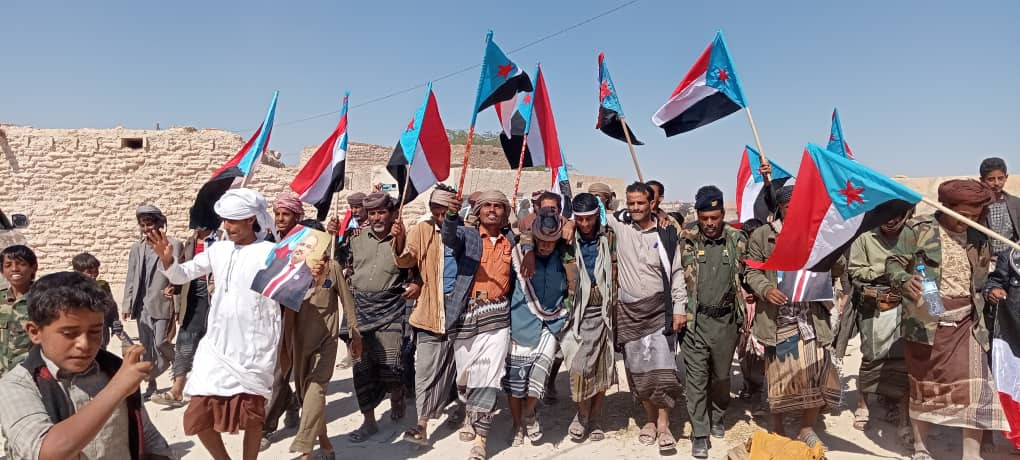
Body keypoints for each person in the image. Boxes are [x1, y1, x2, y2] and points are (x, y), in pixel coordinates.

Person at [150, 188, 281, 460]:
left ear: (251, 220)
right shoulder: (218, 249)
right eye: (225, 220)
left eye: (233, 220)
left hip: (253, 345)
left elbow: (295, 290)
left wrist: (315, 276)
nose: (227, 226)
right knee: (198, 411)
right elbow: (182, 274)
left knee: (252, 414)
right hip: (217, 344)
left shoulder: (271, 252)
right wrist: (167, 260)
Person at [887, 179, 1008, 460]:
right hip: (927, 320)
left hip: (968, 321)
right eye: (962, 215)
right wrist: (905, 279)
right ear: (945, 207)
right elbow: (893, 263)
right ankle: (921, 447)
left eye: (974, 216)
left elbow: (984, 276)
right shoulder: (918, 230)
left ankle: (971, 454)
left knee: (976, 387)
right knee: (925, 386)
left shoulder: (979, 235)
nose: (967, 221)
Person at [0, 272, 173, 460]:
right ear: (35, 332)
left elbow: (147, 436)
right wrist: (117, 389)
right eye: (69, 333)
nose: (84, 343)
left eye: (95, 331)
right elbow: (46, 452)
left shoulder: (112, 369)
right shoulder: (18, 385)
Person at [744, 185, 842, 451]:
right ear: (780, 208)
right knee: (779, 377)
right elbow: (751, 271)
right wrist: (766, 290)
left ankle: (806, 428)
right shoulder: (763, 236)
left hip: (811, 319)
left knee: (814, 374)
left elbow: (837, 269)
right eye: (790, 207)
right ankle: (778, 428)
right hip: (778, 320)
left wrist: (833, 248)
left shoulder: (818, 234)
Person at [604, 182, 687, 452]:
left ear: (652, 203)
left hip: (659, 310)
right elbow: (594, 211)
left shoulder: (666, 234)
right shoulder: (621, 227)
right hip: (630, 312)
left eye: (641, 203)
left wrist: (679, 308)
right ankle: (649, 420)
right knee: (638, 370)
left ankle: (664, 425)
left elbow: (676, 272)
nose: (636, 208)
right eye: (631, 203)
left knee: (663, 370)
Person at [442, 190, 517, 460]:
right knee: (466, 374)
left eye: (498, 206)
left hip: (497, 315)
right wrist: (452, 214)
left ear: (505, 212)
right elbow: (449, 236)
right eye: (487, 206)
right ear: (479, 211)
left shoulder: (512, 241)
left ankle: (481, 440)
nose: (492, 210)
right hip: (467, 313)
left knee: (489, 375)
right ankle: (469, 411)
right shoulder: (468, 236)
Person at [392, 186, 466, 446]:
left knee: (460, 369)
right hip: (430, 309)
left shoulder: (466, 231)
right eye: (436, 211)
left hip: (463, 311)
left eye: (446, 211)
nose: (441, 216)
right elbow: (406, 260)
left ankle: (461, 408)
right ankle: (421, 424)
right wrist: (399, 239)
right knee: (424, 369)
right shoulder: (422, 230)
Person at [679, 186, 747, 458]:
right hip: (695, 321)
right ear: (698, 216)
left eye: (714, 218)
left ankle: (718, 414)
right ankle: (700, 433)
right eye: (704, 218)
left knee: (720, 377)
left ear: (722, 216)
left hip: (726, 322)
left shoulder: (736, 239)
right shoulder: (687, 239)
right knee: (696, 380)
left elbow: (750, 272)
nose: (709, 223)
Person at [346, 192, 418, 443]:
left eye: (382, 212)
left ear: (392, 214)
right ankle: (369, 421)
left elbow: (415, 269)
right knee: (361, 367)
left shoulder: (405, 239)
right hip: (359, 310)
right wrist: (333, 237)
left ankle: (397, 395)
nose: (377, 217)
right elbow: (342, 264)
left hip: (391, 309)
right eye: (373, 213)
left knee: (392, 364)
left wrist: (416, 284)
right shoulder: (355, 238)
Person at [290, 219, 361, 459]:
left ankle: (305, 450)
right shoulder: (291, 270)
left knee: (316, 390)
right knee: (304, 395)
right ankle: (325, 441)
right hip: (298, 342)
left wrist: (355, 333)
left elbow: (347, 302)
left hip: (325, 341)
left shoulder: (333, 268)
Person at [504, 207, 572, 446]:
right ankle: (516, 425)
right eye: (541, 240)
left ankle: (529, 413)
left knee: (539, 376)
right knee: (516, 382)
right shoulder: (518, 253)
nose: (545, 246)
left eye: (550, 242)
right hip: (521, 323)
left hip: (550, 323)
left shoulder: (563, 254)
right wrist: (528, 249)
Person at [848, 210, 913, 444]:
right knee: (871, 355)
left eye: (897, 215)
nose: (891, 219)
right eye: (887, 214)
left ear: (907, 214)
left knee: (904, 360)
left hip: (907, 304)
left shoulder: (914, 236)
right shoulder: (864, 238)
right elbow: (855, 270)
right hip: (876, 304)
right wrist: (886, 271)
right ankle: (862, 404)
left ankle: (903, 414)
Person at [560, 193, 618, 443]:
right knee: (579, 367)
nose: (585, 224)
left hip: (605, 312)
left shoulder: (609, 237)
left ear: (597, 215)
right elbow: (533, 234)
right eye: (580, 219)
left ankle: (595, 419)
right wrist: (568, 223)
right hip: (578, 314)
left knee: (602, 369)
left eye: (589, 218)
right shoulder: (566, 239)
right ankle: (581, 414)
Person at [150, 223, 217, 409]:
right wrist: (174, 286)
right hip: (194, 295)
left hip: (217, 297)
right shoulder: (190, 242)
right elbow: (183, 269)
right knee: (185, 340)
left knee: (213, 344)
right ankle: (177, 389)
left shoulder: (223, 239)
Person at [260, 192, 306, 446]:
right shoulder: (268, 241)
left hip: (291, 314)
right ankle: (288, 400)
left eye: (285, 214)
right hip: (265, 315)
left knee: (280, 371)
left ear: (296, 216)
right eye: (277, 214)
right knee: (264, 369)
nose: (279, 218)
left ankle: (265, 428)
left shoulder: (306, 242)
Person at [122, 205, 181, 399]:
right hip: (142, 305)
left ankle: (181, 365)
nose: (146, 229)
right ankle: (152, 385)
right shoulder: (137, 248)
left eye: (150, 224)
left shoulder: (173, 244)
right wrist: (127, 303)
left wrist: (175, 292)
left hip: (163, 301)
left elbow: (179, 273)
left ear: (158, 224)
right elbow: (131, 276)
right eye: (143, 225)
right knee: (146, 347)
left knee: (161, 342)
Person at [71, 252, 124, 352]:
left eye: (96, 271)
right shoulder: (69, 290)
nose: (93, 275)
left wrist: (116, 326)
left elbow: (111, 310)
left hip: (100, 338)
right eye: (89, 272)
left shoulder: (103, 287)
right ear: (77, 272)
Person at [1, 245, 36, 375]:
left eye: (21, 264)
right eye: (8, 265)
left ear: (33, 267)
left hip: (29, 374)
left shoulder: (43, 299)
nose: (14, 269)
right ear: (2, 270)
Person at [979, 157, 1020, 257]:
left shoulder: (1015, 203)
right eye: (991, 179)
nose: (996, 183)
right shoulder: (978, 206)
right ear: (982, 180)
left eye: (1000, 178)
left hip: (1011, 258)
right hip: (987, 260)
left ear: (1006, 177)